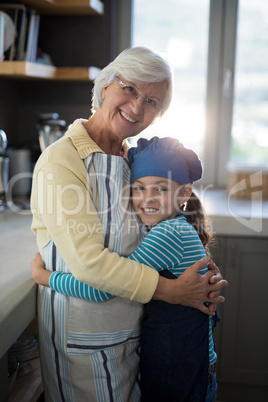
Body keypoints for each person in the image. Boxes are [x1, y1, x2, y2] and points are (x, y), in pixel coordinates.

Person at [31, 47, 227, 402]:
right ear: (105, 86)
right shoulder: (62, 159)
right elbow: (90, 265)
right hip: (86, 340)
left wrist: (195, 274)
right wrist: (173, 291)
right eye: (130, 89)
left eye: (152, 101)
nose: (137, 107)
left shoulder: (132, 162)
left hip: (138, 341)